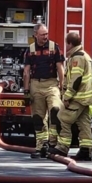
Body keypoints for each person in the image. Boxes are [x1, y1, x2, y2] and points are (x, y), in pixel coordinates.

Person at [22, 23, 65, 158]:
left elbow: (60, 68)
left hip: (52, 84)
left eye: (46, 34)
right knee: (38, 118)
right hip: (36, 84)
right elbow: (26, 72)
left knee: (56, 110)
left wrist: (62, 86)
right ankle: (41, 145)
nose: (45, 37)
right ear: (35, 35)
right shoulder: (30, 50)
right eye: (42, 34)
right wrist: (26, 90)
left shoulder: (54, 47)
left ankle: (53, 144)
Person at [55, 31, 92, 161]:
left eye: (66, 43)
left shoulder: (77, 58)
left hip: (77, 97)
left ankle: (62, 148)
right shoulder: (85, 56)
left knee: (63, 118)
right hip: (85, 98)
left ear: (70, 44)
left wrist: (67, 97)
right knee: (84, 124)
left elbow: (76, 80)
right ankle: (85, 150)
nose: (65, 46)